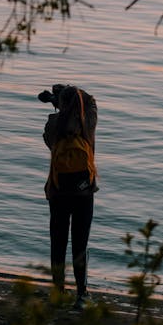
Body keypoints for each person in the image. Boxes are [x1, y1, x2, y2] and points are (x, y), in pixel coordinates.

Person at [41, 84, 98, 309]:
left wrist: (56, 103)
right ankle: (82, 296)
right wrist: (61, 96)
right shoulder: (88, 123)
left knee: (58, 242)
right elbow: (90, 99)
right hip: (84, 192)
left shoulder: (53, 126)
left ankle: (57, 292)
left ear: (61, 105)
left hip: (58, 192)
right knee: (80, 245)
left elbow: (48, 142)